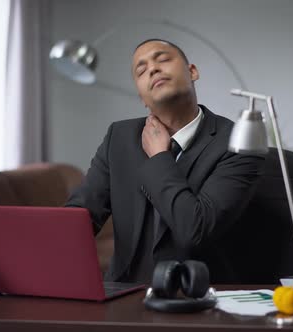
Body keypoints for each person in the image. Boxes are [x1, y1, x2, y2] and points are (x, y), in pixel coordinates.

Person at [66, 39, 265, 283]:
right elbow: (81, 216)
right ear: (141, 96)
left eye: (162, 59)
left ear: (192, 72)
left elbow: (195, 230)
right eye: (141, 70)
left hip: (199, 296)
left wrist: (160, 157)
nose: (152, 69)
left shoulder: (238, 143)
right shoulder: (118, 138)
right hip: (124, 294)